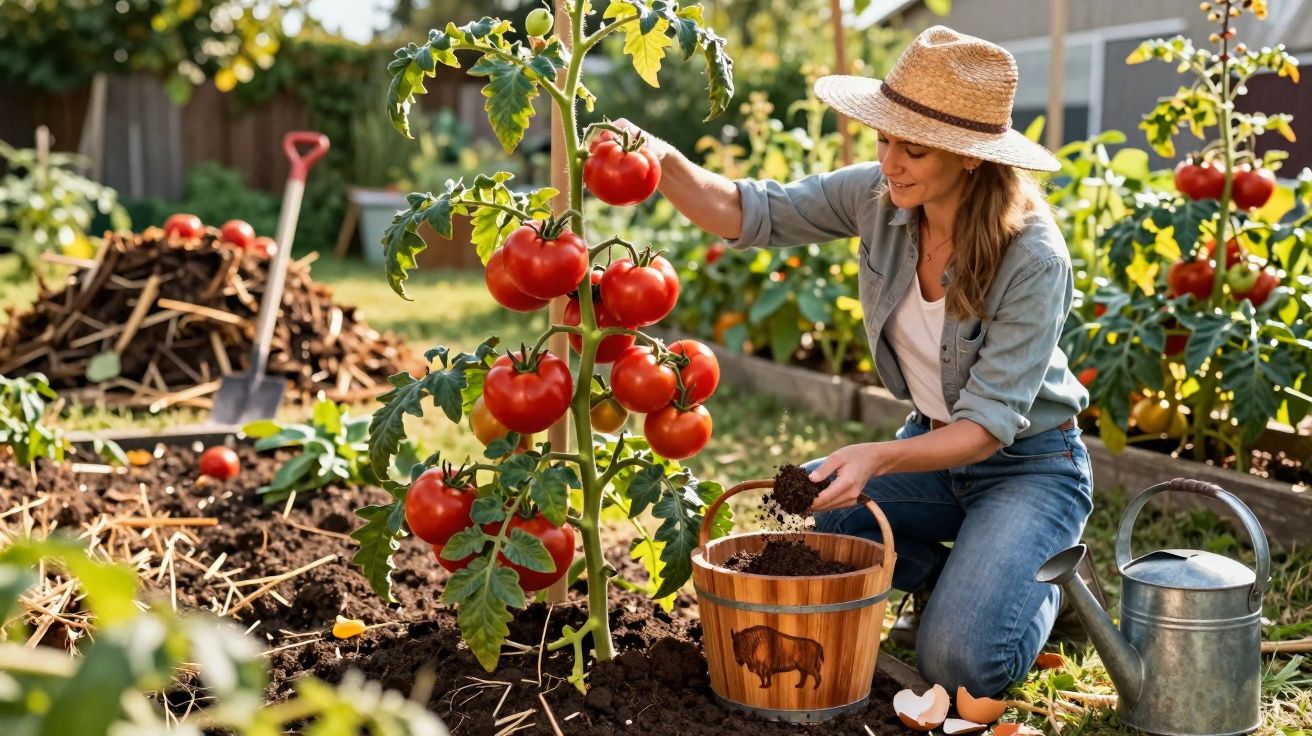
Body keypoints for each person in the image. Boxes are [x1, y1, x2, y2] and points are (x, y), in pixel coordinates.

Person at [614, 26, 1096, 696]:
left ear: (972, 157)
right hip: (931, 447)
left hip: (1028, 468)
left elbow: (987, 428)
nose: (890, 162)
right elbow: (748, 213)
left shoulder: (1033, 258)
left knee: (960, 666)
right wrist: (660, 157)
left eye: (914, 147)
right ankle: (962, 573)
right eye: (885, 139)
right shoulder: (879, 197)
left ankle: (1051, 589)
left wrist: (874, 456)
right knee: (808, 523)